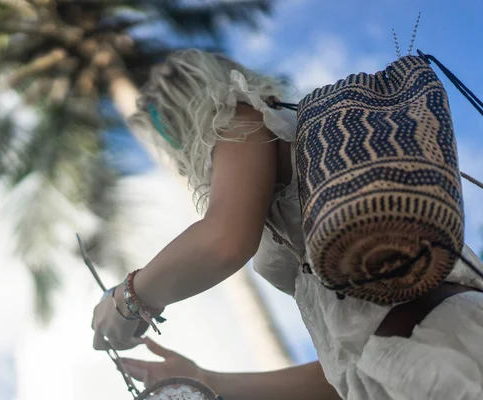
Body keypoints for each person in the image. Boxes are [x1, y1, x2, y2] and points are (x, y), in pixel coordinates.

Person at [91, 49, 483, 400]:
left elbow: (223, 241)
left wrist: (129, 298)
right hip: (407, 366)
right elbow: (344, 371)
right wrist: (203, 378)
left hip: (444, 351)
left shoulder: (238, 116)